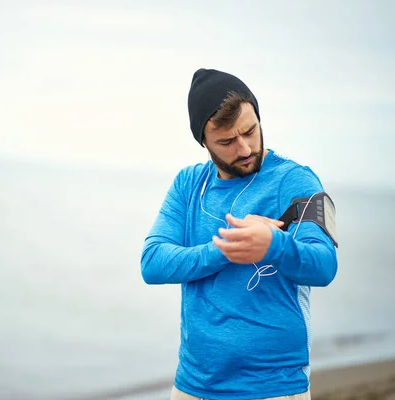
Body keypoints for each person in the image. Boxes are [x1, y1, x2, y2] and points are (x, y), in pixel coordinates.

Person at [140, 68, 338, 400]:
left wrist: (274, 245)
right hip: (192, 385)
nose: (245, 148)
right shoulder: (188, 184)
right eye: (227, 141)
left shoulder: (298, 181)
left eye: (250, 130)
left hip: (272, 387)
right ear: (204, 141)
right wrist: (228, 248)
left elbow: (324, 263)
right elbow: (153, 262)